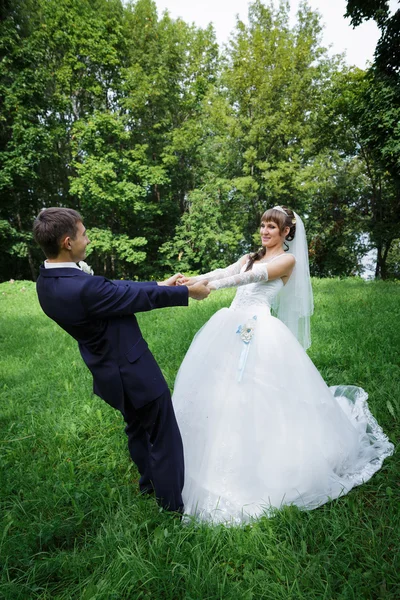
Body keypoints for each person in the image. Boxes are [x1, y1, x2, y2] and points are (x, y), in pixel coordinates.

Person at [173, 206, 394, 524]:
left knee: (259, 394)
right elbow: (224, 271)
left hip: (260, 330)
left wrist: (211, 289)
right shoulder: (251, 254)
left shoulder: (286, 261)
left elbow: (251, 278)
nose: (265, 231)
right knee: (220, 391)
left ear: (286, 232)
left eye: (272, 227)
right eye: (263, 225)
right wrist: (193, 280)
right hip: (229, 326)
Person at [33, 207, 210, 514]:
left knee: (137, 427)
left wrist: (161, 284)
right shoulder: (83, 287)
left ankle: (149, 485)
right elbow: (129, 298)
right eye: (83, 233)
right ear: (67, 242)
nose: (87, 239)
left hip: (106, 370)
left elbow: (116, 290)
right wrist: (185, 292)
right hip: (132, 368)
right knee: (163, 432)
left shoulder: (46, 281)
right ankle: (171, 506)